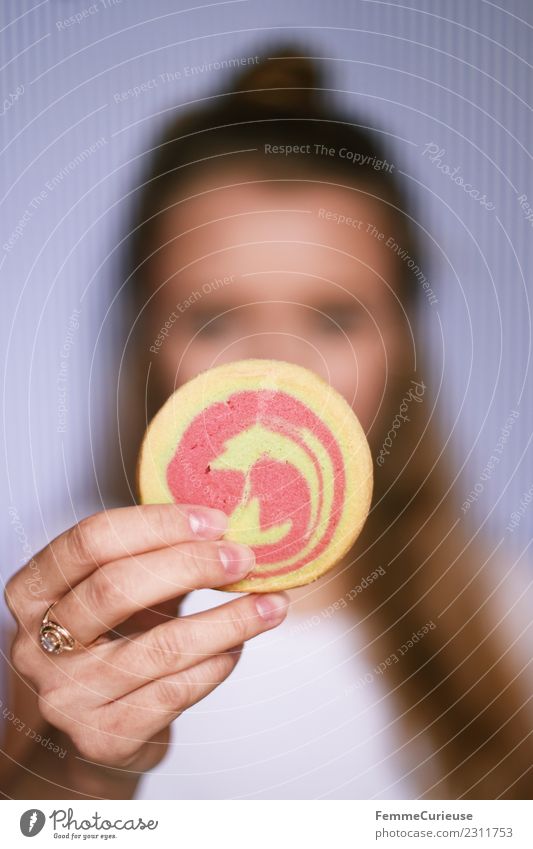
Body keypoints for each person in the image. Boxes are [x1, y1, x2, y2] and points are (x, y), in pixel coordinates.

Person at [2, 47, 532, 800]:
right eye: (214, 319)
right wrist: (81, 774)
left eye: (335, 318)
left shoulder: (512, 614)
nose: (277, 369)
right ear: (146, 338)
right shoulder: (51, 612)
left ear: (405, 339)